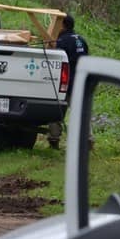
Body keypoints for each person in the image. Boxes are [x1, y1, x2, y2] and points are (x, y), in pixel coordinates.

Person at [48, 14, 89, 149]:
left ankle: (54, 139)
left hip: (66, 83)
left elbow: (57, 61)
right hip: (81, 81)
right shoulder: (81, 40)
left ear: (63, 25)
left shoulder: (62, 41)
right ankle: (88, 139)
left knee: (56, 112)